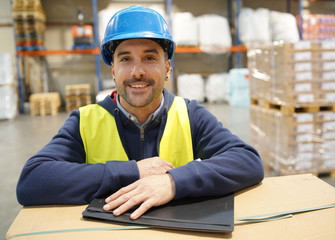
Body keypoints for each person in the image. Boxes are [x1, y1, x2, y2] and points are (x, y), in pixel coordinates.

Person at [16, 5, 264, 220]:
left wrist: (173, 182)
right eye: (125, 59)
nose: (137, 71)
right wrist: (132, 171)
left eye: (149, 58)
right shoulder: (85, 121)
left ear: (167, 67)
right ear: (112, 70)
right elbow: (32, 181)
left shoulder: (189, 114)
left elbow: (248, 162)